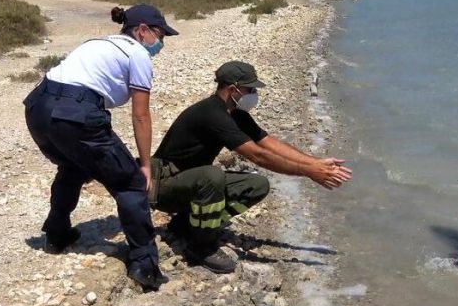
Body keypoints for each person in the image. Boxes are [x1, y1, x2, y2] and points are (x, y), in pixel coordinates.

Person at [23, 4, 179, 290]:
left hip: (37, 107)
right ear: (142, 30)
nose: (162, 43)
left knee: (72, 165)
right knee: (130, 183)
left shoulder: (98, 43)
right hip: (76, 113)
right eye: (160, 34)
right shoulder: (138, 54)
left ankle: (56, 235)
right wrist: (144, 166)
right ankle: (144, 264)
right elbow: (141, 114)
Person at [150, 60, 352, 273]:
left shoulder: (235, 114)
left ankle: (189, 224)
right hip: (164, 186)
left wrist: (314, 163)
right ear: (232, 89)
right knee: (212, 176)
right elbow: (258, 156)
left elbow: (268, 143)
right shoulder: (211, 114)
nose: (254, 93)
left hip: (191, 184)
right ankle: (201, 247)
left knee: (256, 185)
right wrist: (308, 172)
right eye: (250, 89)